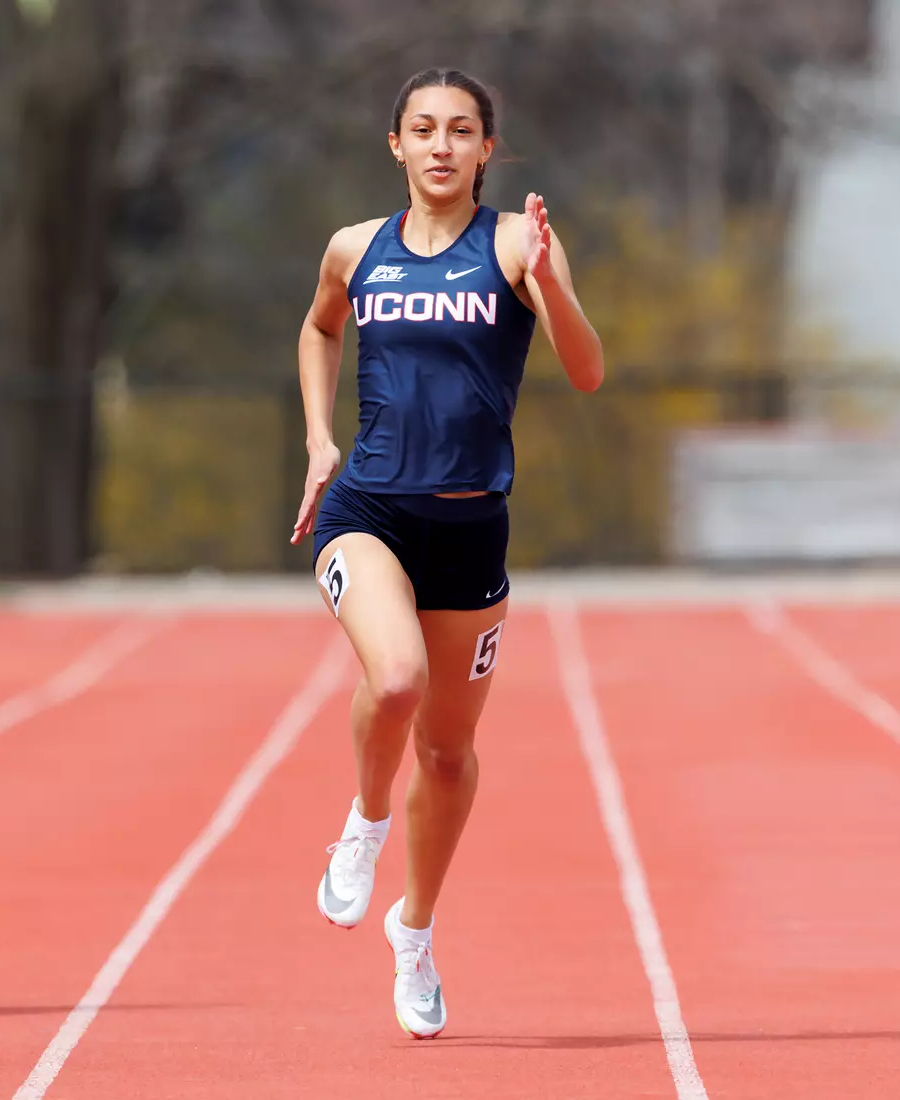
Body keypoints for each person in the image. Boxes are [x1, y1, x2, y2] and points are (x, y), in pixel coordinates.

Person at [291, 68, 604, 1038]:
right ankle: (366, 819)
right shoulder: (356, 247)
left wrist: (549, 279)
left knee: (450, 748)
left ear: (485, 148)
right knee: (394, 681)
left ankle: (414, 927)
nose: (440, 145)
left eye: (460, 131)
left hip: (471, 528)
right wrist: (318, 439)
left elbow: (588, 372)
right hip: (369, 510)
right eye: (422, 129)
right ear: (395, 144)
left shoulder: (514, 244)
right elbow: (316, 327)